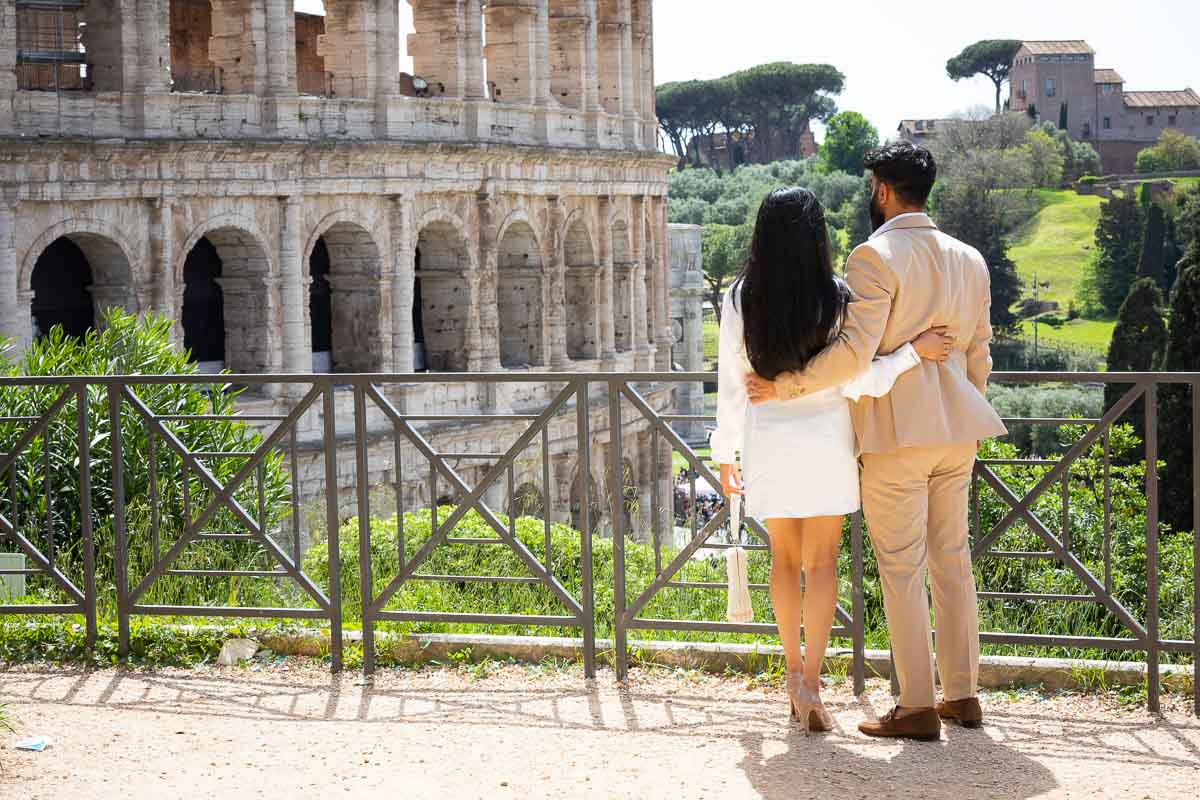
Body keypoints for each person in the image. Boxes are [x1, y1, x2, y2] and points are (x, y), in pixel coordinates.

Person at [745, 142, 1007, 741]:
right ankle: (963, 694)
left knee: (900, 567)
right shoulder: (970, 259)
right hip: (958, 429)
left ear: (883, 190)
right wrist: (960, 401)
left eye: (871, 188)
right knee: (953, 560)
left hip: (896, 434)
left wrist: (788, 386)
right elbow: (979, 353)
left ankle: (915, 704)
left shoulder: (874, 255)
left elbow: (854, 354)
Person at [711, 186, 953, 734]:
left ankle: (793, 676)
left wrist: (724, 451)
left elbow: (729, 382)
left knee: (783, 562)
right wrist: (914, 352)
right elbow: (860, 377)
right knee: (823, 564)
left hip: (768, 436)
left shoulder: (739, 296)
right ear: (818, 235)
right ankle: (815, 682)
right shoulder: (836, 296)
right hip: (826, 437)